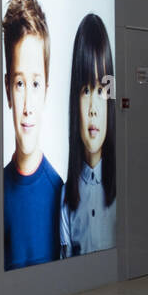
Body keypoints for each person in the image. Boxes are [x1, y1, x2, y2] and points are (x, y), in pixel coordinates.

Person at [2, 0, 62, 269]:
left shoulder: (61, 194)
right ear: (7, 91)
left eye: (35, 84)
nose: (27, 106)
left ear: (47, 91)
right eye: (19, 83)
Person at [60, 13, 116, 257]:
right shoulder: (66, 197)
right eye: (85, 90)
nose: (93, 107)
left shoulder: (122, 188)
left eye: (101, 91)